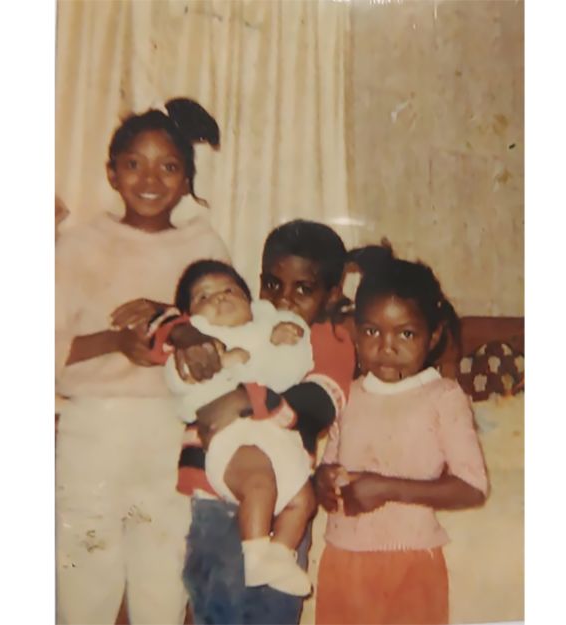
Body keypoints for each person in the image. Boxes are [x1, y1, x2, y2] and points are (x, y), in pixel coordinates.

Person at [55, 98, 228, 625]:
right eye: (135, 164)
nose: (150, 179)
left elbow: (227, 336)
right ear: (112, 172)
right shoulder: (79, 245)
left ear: (186, 179)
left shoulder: (204, 245)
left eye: (168, 166)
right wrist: (113, 342)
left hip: (172, 431)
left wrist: (178, 324)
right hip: (95, 429)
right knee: (86, 571)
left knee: (163, 568)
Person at [156, 220, 356, 624]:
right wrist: (177, 331)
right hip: (215, 490)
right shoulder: (249, 317)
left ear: (333, 294)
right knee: (217, 595)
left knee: (270, 605)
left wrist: (245, 399)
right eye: (272, 284)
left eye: (303, 289)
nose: (284, 299)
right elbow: (181, 327)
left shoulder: (331, 335)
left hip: (282, 497)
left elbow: (317, 403)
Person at [313, 257, 490, 625]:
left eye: (405, 334)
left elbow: (472, 487)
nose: (386, 347)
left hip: (411, 560)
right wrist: (323, 481)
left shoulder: (443, 396)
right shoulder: (347, 394)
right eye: (372, 332)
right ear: (355, 331)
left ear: (434, 336)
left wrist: (387, 488)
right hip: (343, 558)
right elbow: (330, 462)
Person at [163, 259, 317, 596]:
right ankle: (256, 554)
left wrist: (281, 341)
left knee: (303, 498)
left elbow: (286, 373)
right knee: (259, 484)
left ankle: (278, 556)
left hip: (276, 435)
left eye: (229, 290)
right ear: (190, 315)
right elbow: (183, 387)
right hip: (231, 436)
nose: (219, 298)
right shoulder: (199, 342)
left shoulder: (268, 327)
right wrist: (222, 364)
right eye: (204, 296)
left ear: (250, 301)